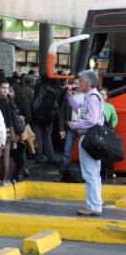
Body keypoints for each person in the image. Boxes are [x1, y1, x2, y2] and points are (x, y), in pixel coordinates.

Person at [67, 70, 104, 216]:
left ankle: (93, 206)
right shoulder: (89, 96)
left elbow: (92, 120)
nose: (78, 83)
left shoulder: (92, 98)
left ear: (88, 83)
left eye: (80, 80)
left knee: (90, 174)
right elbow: (81, 110)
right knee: (94, 173)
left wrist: (75, 125)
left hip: (89, 139)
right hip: (91, 139)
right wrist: (70, 98)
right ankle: (96, 203)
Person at [56, 77, 84, 182]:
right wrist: (61, 128)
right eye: (73, 83)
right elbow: (62, 112)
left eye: (77, 83)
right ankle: (62, 173)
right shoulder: (68, 95)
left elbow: (85, 113)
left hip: (83, 127)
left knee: (84, 152)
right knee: (66, 152)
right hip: (70, 127)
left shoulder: (87, 96)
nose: (74, 85)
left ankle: (84, 175)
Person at [99, 88, 118, 179]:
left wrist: (111, 128)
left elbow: (115, 118)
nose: (102, 96)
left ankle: (108, 173)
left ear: (107, 96)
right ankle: (100, 173)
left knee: (108, 154)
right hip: (97, 133)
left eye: (104, 94)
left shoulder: (110, 106)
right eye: (101, 94)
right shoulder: (95, 104)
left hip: (107, 133)